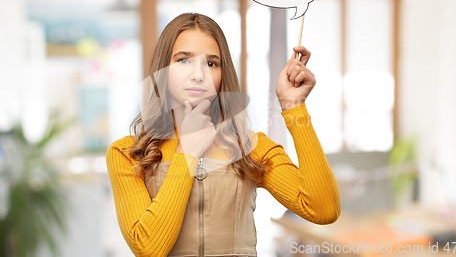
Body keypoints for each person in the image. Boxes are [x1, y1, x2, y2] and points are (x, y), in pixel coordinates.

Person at [106, 13, 341, 257]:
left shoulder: (251, 146)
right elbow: (149, 249)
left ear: (222, 74)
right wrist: (187, 152)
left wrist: (294, 107)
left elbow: (323, 209)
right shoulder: (127, 154)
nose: (199, 74)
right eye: (183, 60)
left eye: (211, 63)